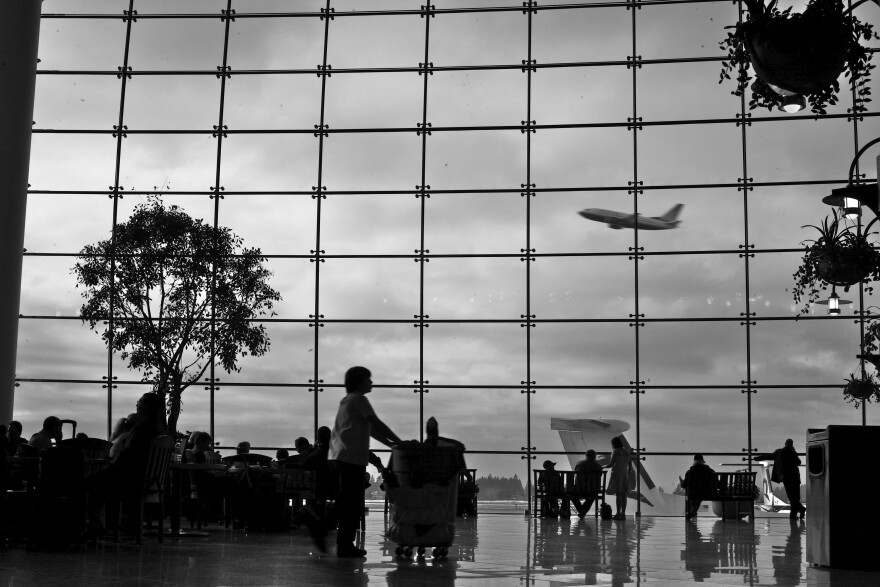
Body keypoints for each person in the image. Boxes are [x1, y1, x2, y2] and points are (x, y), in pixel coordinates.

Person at [328, 366, 402, 558]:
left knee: (347, 502)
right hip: (351, 458)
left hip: (341, 455)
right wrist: (399, 442)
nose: (372, 382)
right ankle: (341, 542)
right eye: (368, 379)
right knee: (352, 504)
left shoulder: (346, 401)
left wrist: (391, 443)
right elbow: (376, 423)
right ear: (359, 382)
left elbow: (371, 430)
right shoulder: (360, 399)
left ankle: (340, 540)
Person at [86, 392, 165, 535]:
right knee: (97, 480)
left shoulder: (143, 429)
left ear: (148, 406)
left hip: (130, 479)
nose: (137, 404)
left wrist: (112, 464)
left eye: (140, 401)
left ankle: (95, 525)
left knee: (89, 483)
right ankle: (107, 524)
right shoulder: (156, 429)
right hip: (145, 480)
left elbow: (130, 456)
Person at [774, 438, 805, 519]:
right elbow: (799, 462)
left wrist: (759, 458)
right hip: (795, 478)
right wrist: (794, 452)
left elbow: (771, 456)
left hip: (786, 478)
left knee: (791, 497)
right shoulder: (793, 452)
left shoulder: (780, 452)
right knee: (795, 497)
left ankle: (796, 513)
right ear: (791, 444)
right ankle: (797, 513)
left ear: (785, 444)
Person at [680, 454, 717, 519]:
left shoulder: (690, 472)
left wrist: (681, 481)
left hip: (693, 493)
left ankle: (691, 514)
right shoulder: (709, 471)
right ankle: (692, 513)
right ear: (702, 461)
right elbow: (716, 482)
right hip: (706, 493)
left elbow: (684, 485)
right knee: (699, 497)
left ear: (694, 462)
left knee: (693, 498)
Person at [571, 449, 603, 518]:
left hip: (579, 489)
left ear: (586, 455)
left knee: (571, 495)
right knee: (592, 496)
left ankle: (581, 510)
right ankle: (583, 511)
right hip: (592, 490)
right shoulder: (598, 466)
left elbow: (576, 472)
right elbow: (599, 476)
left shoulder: (579, 464)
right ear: (594, 456)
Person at [606, 435, 630, 520]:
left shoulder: (615, 452)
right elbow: (628, 464)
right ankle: (623, 513)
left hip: (616, 474)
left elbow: (611, 464)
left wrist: (602, 466)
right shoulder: (626, 452)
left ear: (614, 444)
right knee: (624, 495)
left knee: (618, 495)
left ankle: (617, 513)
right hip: (624, 474)